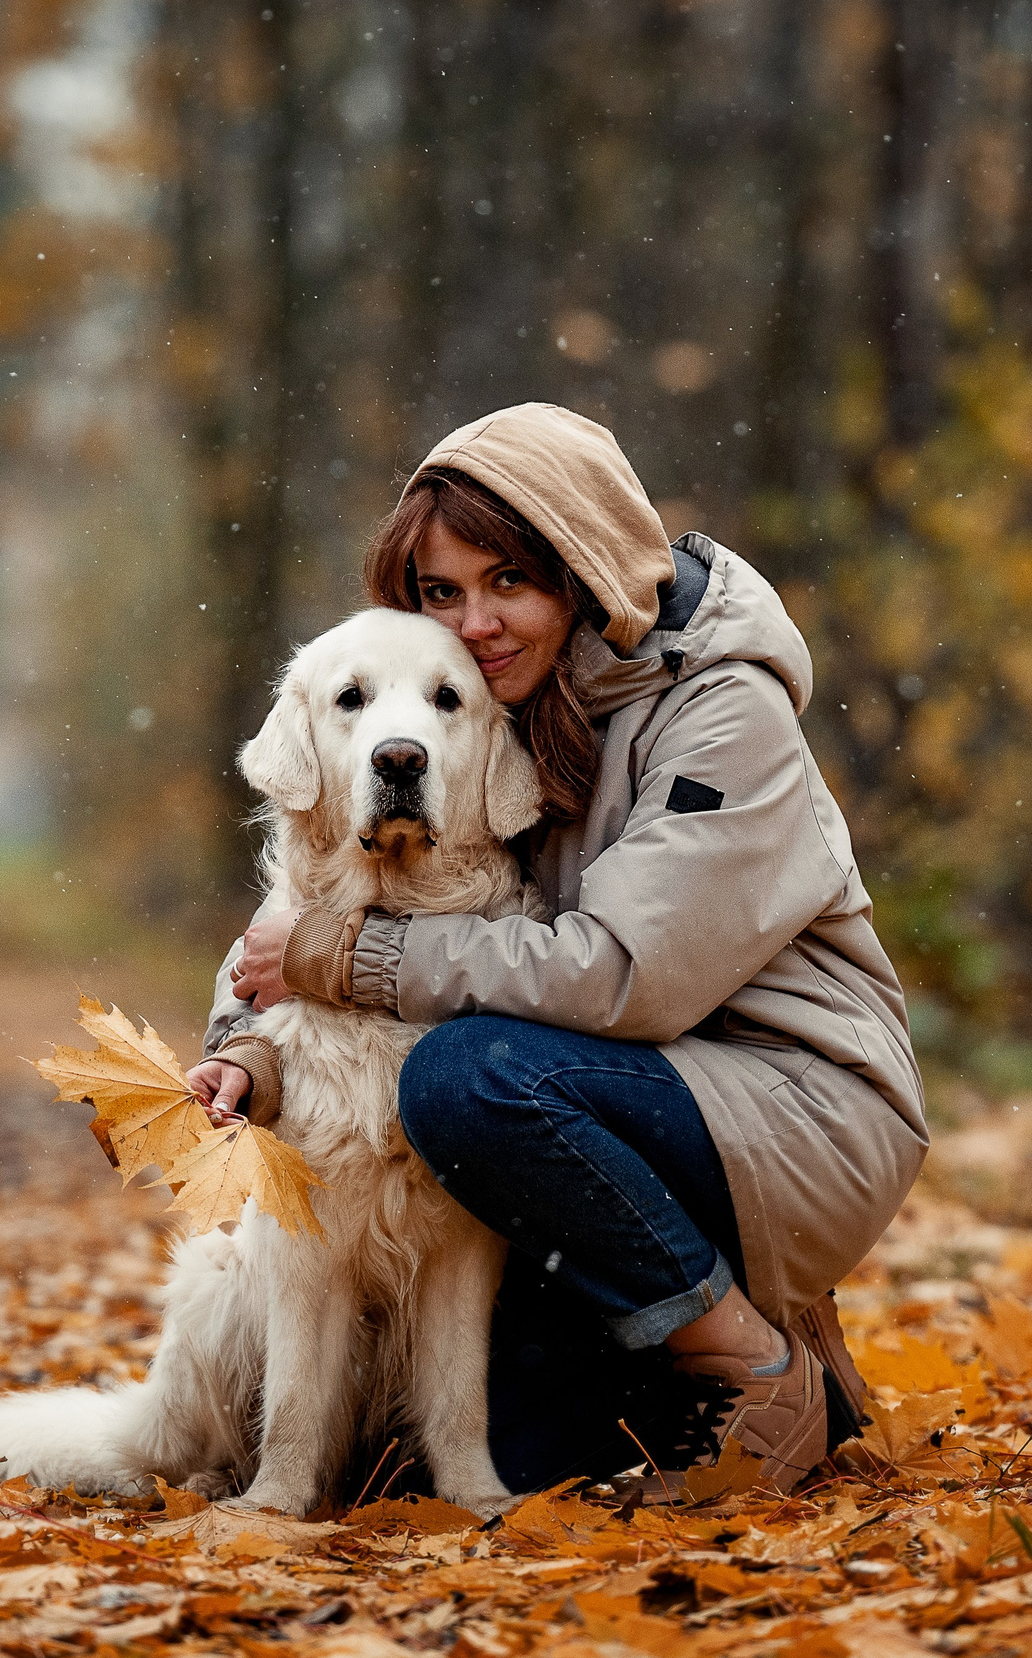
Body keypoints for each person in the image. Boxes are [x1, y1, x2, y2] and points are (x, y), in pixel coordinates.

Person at [185, 402, 928, 1499]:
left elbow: (620, 972)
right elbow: (308, 894)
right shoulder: (484, 701)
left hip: (793, 1109)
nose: (474, 622)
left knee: (462, 1076)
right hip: (595, 1104)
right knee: (422, 1468)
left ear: (584, 568)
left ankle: (760, 1364)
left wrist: (350, 958)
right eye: (443, 592)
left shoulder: (724, 712)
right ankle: (719, 1393)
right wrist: (248, 1041)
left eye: (507, 582)